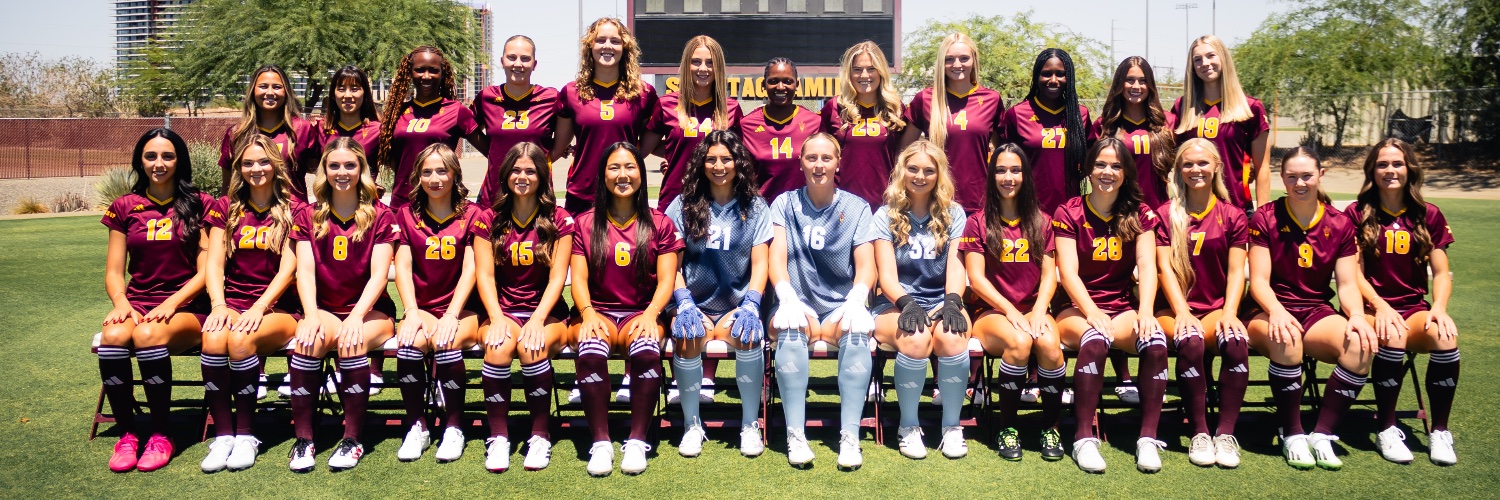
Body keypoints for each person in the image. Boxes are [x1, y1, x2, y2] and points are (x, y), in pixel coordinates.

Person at [1246, 147, 1376, 471]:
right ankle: (1292, 432)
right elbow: (1258, 282)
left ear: (1321, 175)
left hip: (1315, 309)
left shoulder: (1340, 223)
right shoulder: (1265, 216)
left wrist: (1357, 316)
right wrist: (1276, 311)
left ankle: (1323, 434)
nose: (1300, 182)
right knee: (1287, 339)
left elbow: (1347, 284)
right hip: (1267, 309)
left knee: (1360, 344)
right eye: (1292, 176)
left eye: (1307, 175)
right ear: (1282, 178)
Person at [98, 128, 212, 473]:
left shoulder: (200, 203)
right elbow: (115, 271)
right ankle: (129, 435)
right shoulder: (124, 207)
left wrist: (171, 303)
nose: (159, 164)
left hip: (189, 308)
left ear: (180, 161)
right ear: (140, 161)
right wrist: (120, 302)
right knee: (113, 336)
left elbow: (206, 273)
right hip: (136, 303)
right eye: (151, 156)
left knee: (147, 335)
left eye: (167, 156)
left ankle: (162, 435)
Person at [569, 142, 683, 476]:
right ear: (602, 175)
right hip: (598, 310)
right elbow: (578, 279)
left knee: (647, 351)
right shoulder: (586, 223)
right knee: (590, 351)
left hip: (642, 311)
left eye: (630, 167)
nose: (623, 175)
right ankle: (601, 442)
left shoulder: (659, 223)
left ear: (641, 173)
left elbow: (667, 279)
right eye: (614, 168)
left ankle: (636, 441)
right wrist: (588, 313)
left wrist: (650, 314)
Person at [286, 138, 400, 472]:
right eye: (334, 165)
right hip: (325, 308)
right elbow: (304, 272)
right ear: (323, 170)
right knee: (308, 341)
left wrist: (355, 317)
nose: (342, 172)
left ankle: (352, 439)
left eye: (350, 165)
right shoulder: (308, 214)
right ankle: (304, 440)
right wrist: (309, 315)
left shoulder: (380, 214)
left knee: (352, 343)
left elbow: (379, 277)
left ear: (362, 170)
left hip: (372, 311)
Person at [1052, 137, 1164, 473]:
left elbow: (1147, 267)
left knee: (1155, 341)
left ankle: (1147, 438)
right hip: (1076, 307)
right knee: (1095, 339)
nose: (1107, 171)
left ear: (1126, 172)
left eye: (1116, 165)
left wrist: (1145, 311)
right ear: (1088, 168)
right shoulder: (1069, 210)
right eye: (1100, 164)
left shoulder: (1140, 213)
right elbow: (1068, 274)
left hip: (1122, 307)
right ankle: (1084, 438)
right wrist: (1092, 312)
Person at [766, 133, 877, 468]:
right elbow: (777, 257)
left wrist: (858, 298)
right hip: (796, 303)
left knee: (857, 333)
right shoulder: (784, 203)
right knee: (789, 329)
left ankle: (850, 437)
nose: (819, 165)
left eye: (826, 158)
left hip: (839, 307)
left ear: (838, 162)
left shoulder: (857, 207)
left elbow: (866, 264)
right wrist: (785, 294)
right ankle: (795, 435)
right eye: (811, 158)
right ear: (800, 162)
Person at [1346, 138, 1459, 466]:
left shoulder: (1429, 214)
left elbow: (1440, 272)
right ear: (1372, 170)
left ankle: (1439, 431)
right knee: (1392, 335)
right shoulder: (1358, 213)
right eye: (1382, 164)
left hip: (1413, 307)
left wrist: (1438, 308)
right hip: (1370, 307)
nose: (1390, 170)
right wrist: (1380, 306)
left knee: (1446, 336)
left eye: (1397, 164)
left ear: (1410, 169)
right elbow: (1354, 274)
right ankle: (1387, 427)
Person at [663, 131, 771, 458]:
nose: (719, 165)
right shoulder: (682, 204)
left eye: (726, 159)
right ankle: (692, 424)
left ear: (738, 163)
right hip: (692, 303)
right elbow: (671, 265)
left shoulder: (754, 207)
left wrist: (752, 304)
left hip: (734, 305)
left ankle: (750, 424)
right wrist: (682, 302)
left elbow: (761, 263)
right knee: (688, 337)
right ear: (701, 163)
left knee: (749, 337)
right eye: (711, 159)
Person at [199, 135, 302, 472]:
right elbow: (214, 264)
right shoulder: (225, 207)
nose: (256, 169)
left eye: (263, 162)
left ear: (276, 164)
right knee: (213, 339)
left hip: (281, 309)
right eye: (247, 163)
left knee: (241, 340)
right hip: (234, 303)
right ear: (238, 169)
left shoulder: (294, 207)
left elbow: (289, 269)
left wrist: (260, 307)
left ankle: (246, 435)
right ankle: (224, 435)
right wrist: (218, 305)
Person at [472, 142, 576, 472]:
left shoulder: (558, 219)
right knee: (498, 349)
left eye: (530, 171)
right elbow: (484, 275)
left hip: (547, 311)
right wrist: (497, 317)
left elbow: (559, 276)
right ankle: (499, 437)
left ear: (542, 176)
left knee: (534, 347)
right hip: (502, 309)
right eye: (516, 170)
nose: (522, 176)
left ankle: (540, 435)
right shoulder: (489, 218)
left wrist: (537, 319)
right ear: (505, 175)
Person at [961, 143, 1066, 462]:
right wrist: (1010, 311)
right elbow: (976, 279)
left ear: (1026, 175)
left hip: (1033, 309)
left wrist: (1037, 310)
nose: (1009, 177)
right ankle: (1008, 427)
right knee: (1019, 342)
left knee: (1049, 346)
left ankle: (1051, 427)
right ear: (991, 175)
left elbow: (1050, 274)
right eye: (1001, 170)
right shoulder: (977, 222)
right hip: (991, 312)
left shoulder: (1041, 221)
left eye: (1016, 170)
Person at [1152, 138, 1251, 468]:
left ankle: (1224, 434)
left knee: (1235, 342)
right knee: (1190, 342)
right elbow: (1164, 268)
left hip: (1215, 308)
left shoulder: (1233, 215)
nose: (1196, 169)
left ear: (1217, 168)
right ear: (1179, 170)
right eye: (1188, 164)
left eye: (1203, 163)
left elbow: (1238, 271)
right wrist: (1181, 311)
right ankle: (1199, 432)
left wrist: (1230, 312)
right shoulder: (1166, 214)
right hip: (1171, 309)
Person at [870, 141, 970, 461]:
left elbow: (956, 267)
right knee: (914, 339)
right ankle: (908, 426)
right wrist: (908, 303)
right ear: (902, 171)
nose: (920, 176)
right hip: (896, 302)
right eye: (913, 168)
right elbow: (886, 277)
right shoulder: (884, 215)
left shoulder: (954, 214)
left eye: (929, 170)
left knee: (953, 338)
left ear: (939, 175)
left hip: (941, 301)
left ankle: (952, 427)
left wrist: (952, 300)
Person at [390, 144, 485, 464]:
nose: (434, 178)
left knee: (446, 341)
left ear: (455, 174)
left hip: (465, 308)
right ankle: (417, 425)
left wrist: (452, 315)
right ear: (418, 176)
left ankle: (454, 426)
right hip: (424, 307)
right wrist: (412, 312)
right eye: (427, 171)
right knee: (408, 345)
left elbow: (472, 269)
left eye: (442, 170)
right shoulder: (406, 214)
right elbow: (402, 266)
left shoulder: (472, 214)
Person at [554, 18, 659, 214]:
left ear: (625, 47)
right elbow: (558, 147)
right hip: (582, 194)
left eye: (615, 41)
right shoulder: (571, 92)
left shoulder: (643, 93)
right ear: (590, 46)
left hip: (626, 193)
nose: (607, 46)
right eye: (601, 40)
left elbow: (648, 145)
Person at [900, 33, 1003, 214]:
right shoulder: (925, 99)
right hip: (934, 201)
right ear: (942, 62)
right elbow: (903, 153)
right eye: (949, 59)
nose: (957, 65)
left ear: (974, 61)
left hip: (979, 203)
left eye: (964, 58)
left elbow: (1002, 154)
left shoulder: (992, 100)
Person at [1170, 35, 1270, 212]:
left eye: (1211, 55)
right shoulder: (1182, 107)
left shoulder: (1250, 108)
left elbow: (1262, 168)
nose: (1205, 63)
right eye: (1197, 59)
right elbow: (1171, 159)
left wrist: (1263, 216)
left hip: (1236, 208)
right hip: (1190, 210)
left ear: (1223, 57)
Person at [377, 45, 483, 208]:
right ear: (409, 73)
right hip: (402, 203)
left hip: (443, 205)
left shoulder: (456, 111)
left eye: (433, 70)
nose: (426, 76)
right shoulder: (396, 113)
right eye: (419, 70)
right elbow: (387, 155)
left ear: (443, 73)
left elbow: (492, 152)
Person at [645, 35, 743, 208]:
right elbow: (644, 149)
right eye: (696, 62)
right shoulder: (666, 104)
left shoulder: (732, 108)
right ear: (686, 65)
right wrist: (673, 156)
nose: (703, 68)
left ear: (719, 67)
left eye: (710, 62)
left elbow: (739, 157)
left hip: (719, 202)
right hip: (675, 201)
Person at [999, 48, 1097, 214]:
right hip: (1028, 211)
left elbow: (1092, 164)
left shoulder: (1081, 115)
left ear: (1069, 77)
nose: (1053, 80)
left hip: (1070, 211)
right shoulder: (1016, 114)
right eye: (1046, 74)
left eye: (1060, 74)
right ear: (1036, 76)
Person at [472, 35, 562, 207]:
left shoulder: (551, 98)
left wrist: (546, 158)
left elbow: (566, 134)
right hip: (494, 195)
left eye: (525, 59)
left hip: (538, 195)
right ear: (502, 61)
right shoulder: (487, 97)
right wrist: (493, 153)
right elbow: (469, 130)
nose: (518, 64)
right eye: (511, 57)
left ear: (534, 64)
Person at [823, 41, 906, 209]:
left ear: (881, 71)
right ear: (849, 73)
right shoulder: (834, 107)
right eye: (857, 70)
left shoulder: (896, 109)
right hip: (842, 206)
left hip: (887, 206)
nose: (864, 75)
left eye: (871, 69)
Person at [217, 65, 317, 199]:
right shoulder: (236, 133)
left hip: (293, 216)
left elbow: (323, 174)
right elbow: (228, 185)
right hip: (249, 218)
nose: (270, 92)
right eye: (263, 86)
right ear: (253, 91)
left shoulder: (303, 129)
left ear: (286, 91)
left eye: (277, 87)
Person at [740, 57, 822, 201]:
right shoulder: (747, 124)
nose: (780, 87)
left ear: (797, 85)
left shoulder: (814, 122)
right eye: (773, 81)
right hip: (762, 212)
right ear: (763, 85)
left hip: (803, 210)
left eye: (787, 81)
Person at [1097, 56, 1174, 209]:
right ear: (1119, 84)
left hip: (1158, 212)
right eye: (1130, 80)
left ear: (1150, 84)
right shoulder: (1104, 125)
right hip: (1114, 212)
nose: (1136, 86)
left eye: (1143, 80)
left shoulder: (1168, 122)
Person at [316, 65, 383, 163]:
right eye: (341, 89)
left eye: (354, 89)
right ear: (333, 95)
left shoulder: (378, 131)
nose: (347, 95)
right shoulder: (320, 129)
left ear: (365, 94)